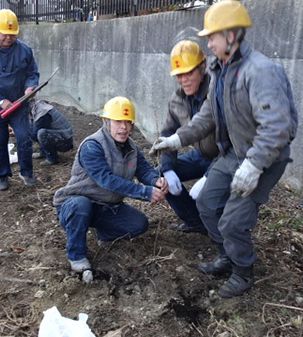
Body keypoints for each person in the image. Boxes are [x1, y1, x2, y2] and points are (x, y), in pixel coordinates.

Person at [151, 0, 298, 298]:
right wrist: (178, 139)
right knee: (206, 203)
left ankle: (242, 273)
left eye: (212, 37)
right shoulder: (222, 70)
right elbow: (207, 115)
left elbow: (278, 127)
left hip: (264, 158)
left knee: (232, 221)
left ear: (231, 36)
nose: (208, 44)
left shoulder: (260, 72)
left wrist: (255, 165)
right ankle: (226, 256)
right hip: (236, 153)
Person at [53, 97, 169, 272]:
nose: (124, 127)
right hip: (76, 204)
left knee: (139, 224)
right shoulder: (92, 146)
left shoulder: (131, 148)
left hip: (107, 206)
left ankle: (104, 233)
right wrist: (145, 192)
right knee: (80, 206)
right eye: (118, 121)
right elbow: (105, 180)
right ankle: (76, 254)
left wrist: (155, 180)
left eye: (128, 122)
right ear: (106, 121)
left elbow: (144, 170)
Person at [0, 9, 39, 191]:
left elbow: (32, 73)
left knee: (25, 138)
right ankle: (1, 175)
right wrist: (0, 100)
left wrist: (30, 86)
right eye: (5, 34)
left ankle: (26, 172)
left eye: (12, 34)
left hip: (19, 103)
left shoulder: (24, 50)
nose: (9, 38)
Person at [159, 40, 218, 234]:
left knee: (210, 198)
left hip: (225, 158)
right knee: (159, 175)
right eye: (178, 75)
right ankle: (195, 221)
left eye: (188, 73)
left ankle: (221, 230)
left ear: (202, 67)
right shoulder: (177, 99)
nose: (183, 80)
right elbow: (168, 133)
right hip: (201, 156)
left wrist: (211, 176)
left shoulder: (218, 92)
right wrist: (167, 169)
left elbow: (235, 143)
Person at [30, 99, 73, 165]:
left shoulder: (43, 113)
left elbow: (35, 135)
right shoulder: (37, 107)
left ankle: (52, 158)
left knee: (41, 133)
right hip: (59, 135)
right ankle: (43, 152)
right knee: (36, 128)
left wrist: (21, 135)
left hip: (65, 142)